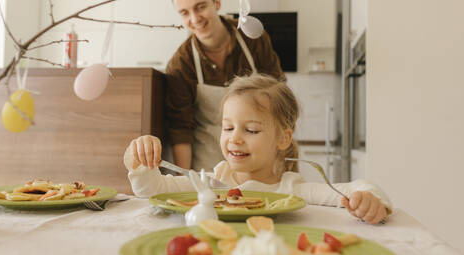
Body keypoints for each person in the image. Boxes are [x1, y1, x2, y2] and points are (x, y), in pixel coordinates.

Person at [123, 74, 391, 224]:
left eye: (250, 130)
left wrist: (369, 200)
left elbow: (353, 189)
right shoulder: (212, 183)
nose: (235, 139)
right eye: (228, 128)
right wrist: (141, 159)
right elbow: (151, 190)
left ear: (283, 139)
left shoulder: (290, 190)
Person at [165, 0, 284, 172]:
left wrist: (281, 160)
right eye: (184, 12)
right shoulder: (181, 64)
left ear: (216, 3)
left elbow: (280, 100)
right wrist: (185, 182)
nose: (195, 19)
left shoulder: (253, 40)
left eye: (200, 7)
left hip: (262, 164)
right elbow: (181, 131)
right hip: (212, 168)